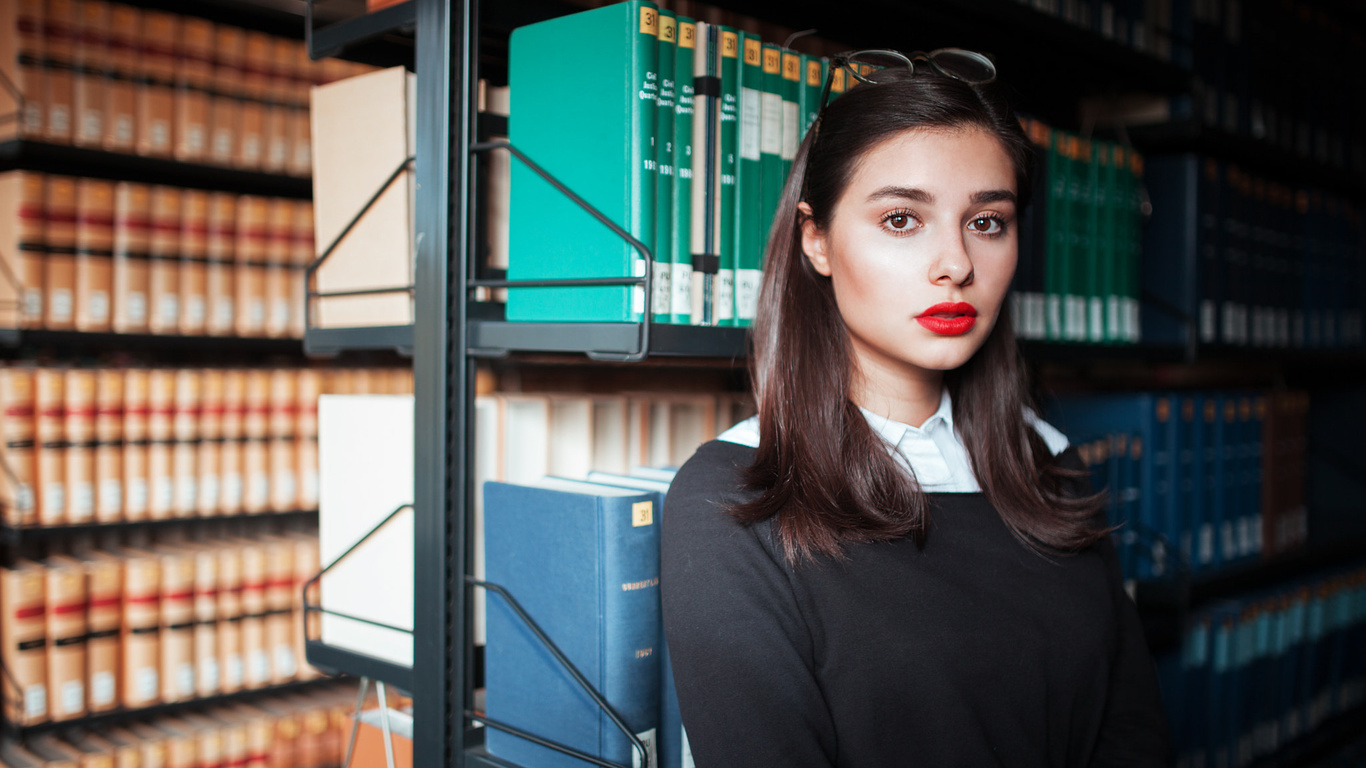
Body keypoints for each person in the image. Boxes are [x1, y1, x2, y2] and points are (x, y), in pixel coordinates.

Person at [661, 50, 1170, 767]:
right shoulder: (735, 496)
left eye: (987, 222)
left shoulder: (1050, 461)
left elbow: (1135, 736)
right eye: (902, 219)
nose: (955, 264)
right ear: (817, 240)